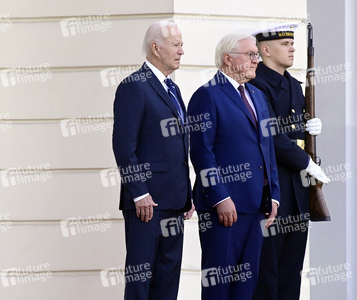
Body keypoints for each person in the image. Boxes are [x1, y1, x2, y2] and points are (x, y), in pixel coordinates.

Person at [188, 33, 280, 300]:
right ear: (228, 58)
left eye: (257, 55)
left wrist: (274, 195)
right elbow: (202, 154)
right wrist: (220, 198)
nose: (256, 60)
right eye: (250, 54)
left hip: (256, 207)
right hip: (224, 210)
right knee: (220, 288)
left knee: (245, 289)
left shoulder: (257, 96)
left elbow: (268, 149)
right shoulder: (207, 96)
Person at [112, 20, 194, 300]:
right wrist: (139, 194)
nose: (182, 51)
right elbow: (124, 148)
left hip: (175, 202)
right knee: (141, 281)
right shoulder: (134, 86)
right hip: (147, 205)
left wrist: (188, 193)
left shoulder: (174, 90)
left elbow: (177, 149)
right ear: (156, 48)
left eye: (182, 45)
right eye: (176, 45)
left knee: (167, 281)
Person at [249, 23, 330, 300]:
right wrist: (305, 161)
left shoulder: (294, 86)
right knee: (268, 272)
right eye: (285, 44)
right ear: (265, 49)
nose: (292, 48)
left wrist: (309, 130)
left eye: (293, 43)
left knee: (291, 271)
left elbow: (293, 132)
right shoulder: (257, 85)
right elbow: (272, 136)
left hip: (297, 189)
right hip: (273, 189)